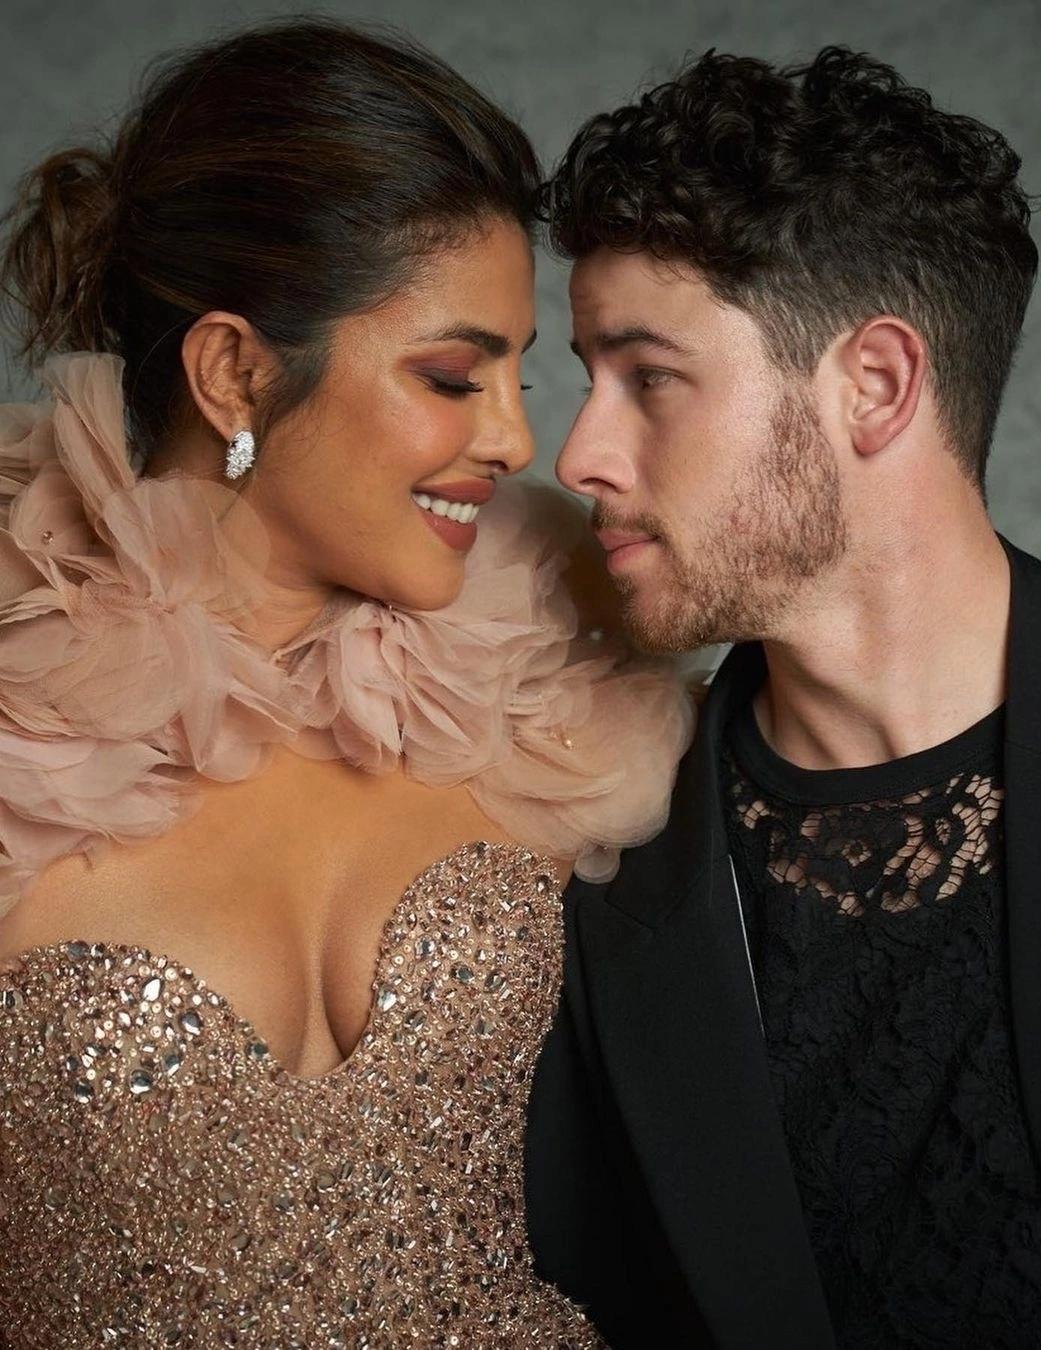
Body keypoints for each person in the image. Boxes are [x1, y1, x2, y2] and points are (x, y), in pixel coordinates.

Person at [0, 18, 695, 1347]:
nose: (517, 438)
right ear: (233, 372)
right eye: (454, 375)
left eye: (518, 372)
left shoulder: (549, 681)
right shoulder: (20, 725)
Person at [525, 45, 1041, 1349]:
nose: (579, 454)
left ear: (873, 386)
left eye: (650, 377)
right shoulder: (591, 864)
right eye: (590, 378)